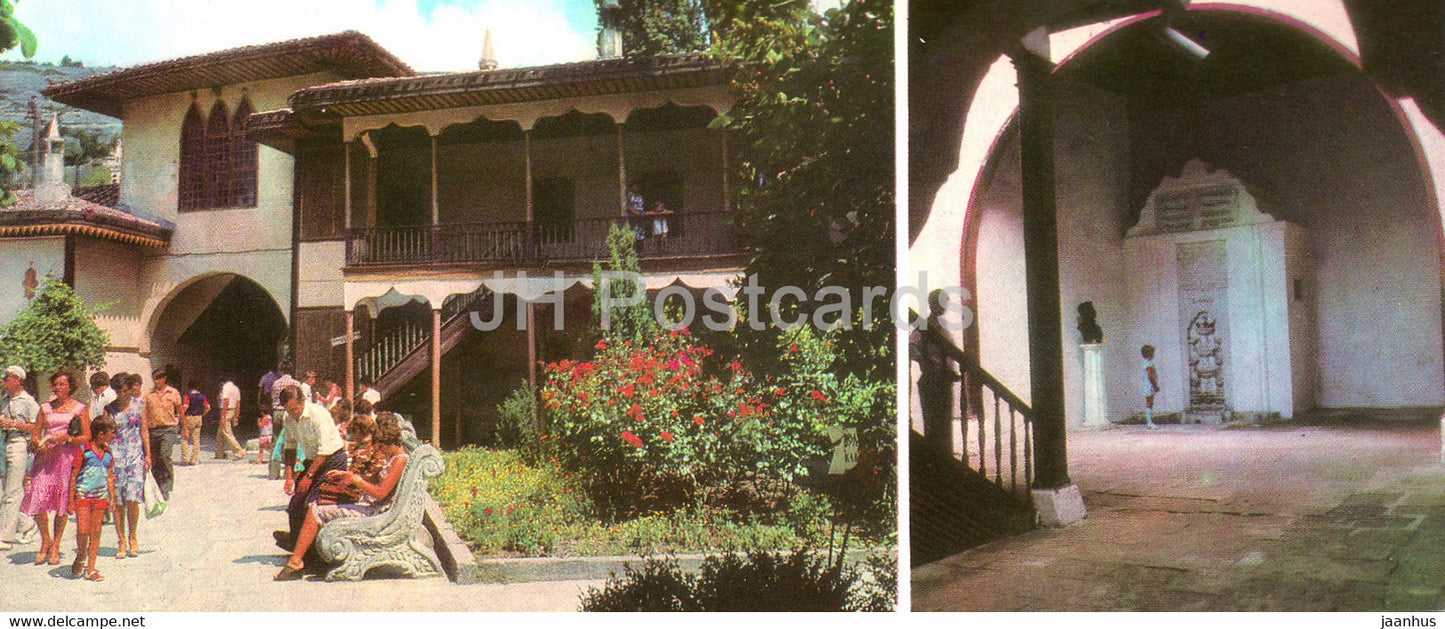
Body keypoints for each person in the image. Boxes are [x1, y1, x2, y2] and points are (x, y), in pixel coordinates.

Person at [274, 413, 408, 581]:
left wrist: (357, 481)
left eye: (381, 446)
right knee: (319, 503)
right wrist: (348, 475)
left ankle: (297, 561)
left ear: (389, 443)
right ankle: (308, 555)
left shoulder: (399, 460)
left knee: (316, 511)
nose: (379, 450)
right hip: (373, 505)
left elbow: (380, 493)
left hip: (377, 511)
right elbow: (374, 481)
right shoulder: (395, 457)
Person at [22, 370, 89, 566]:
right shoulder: (45, 408)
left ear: (70, 387)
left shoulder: (80, 408)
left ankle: (56, 545)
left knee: (62, 503)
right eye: (55, 384)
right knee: (37, 497)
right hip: (45, 458)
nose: (58, 388)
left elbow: (86, 436)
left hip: (66, 458)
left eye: (62, 384)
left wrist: (68, 438)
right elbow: (36, 434)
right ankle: (46, 540)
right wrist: (37, 443)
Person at [272, 384, 347, 553]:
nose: (292, 413)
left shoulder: (319, 414)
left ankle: (311, 550)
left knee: (312, 504)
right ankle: (296, 542)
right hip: (313, 461)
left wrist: (308, 477)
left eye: (294, 409)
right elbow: (290, 447)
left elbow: (324, 451)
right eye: (288, 410)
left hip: (332, 460)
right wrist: (289, 477)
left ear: (303, 401)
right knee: (295, 504)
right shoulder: (288, 417)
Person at [909, 290, 962, 453]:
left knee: (945, 423)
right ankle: (935, 456)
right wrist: (925, 360)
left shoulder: (944, 329)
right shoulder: (923, 327)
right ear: (933, 304)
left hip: (945, 380)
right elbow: (911, 347)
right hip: (930, 380)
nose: (945, 306)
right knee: (932, 422)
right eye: (942, 302)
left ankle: (945, 455)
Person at [106, 372, 147, 559]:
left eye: (125, 390)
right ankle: (121, 540)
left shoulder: (140, 405)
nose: (122, 394)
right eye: (119, 391)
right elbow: (105, 434)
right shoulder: (109, 409)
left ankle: (133, 537)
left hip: (135, 457)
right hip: (116, 458)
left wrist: (148, 455)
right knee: (118, 502)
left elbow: (144, 431)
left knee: (132, 499)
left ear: (130, 388)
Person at [70, 414, 115, 581]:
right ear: (101, 434)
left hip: (100, 497)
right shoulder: (85, 450)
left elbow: (110, 476)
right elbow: (74, 475)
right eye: (111, 432)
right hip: (83, 495)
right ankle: (82, 554)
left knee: (96, 532)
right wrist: (70, 500)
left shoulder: (108, 453)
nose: (113, 436)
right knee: (83, 530)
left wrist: (112, 498)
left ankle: (91, 568)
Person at [0, 365, 39, 550]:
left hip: (19, 443)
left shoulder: (28, 401)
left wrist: (13, 423)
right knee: (5, 490)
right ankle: (27, 524)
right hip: (4, 442)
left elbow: (35, 426)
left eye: (7, 379)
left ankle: (5, 537)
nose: (4, 382)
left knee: (13, 491)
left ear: (18, 380)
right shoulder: (5, 399)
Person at [142, 368, 183, 498]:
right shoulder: (148, 394)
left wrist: (185, 427)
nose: (156, 381)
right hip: (153, 430)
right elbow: (144, 413)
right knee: (154, 459)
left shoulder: (173, 393)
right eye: (154, 378)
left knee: (165, 455)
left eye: (159, 378)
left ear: (164, 379)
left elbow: (180, 410)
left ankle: (166, 486)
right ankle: (157, 486)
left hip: (168, 429)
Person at [180, 380, 210, 466]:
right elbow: (208, 407)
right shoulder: (202, 396)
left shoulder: (188, 396)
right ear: (198, 387)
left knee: (184, 438)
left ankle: (185, 459)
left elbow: (185, 407)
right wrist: (202, 414)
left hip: (189, 417)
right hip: (198, 417)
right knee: (196, 440)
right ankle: (194, 459)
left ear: (189, 387)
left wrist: (181, 415)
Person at [215, 378, 245, 460]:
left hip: (226, 411)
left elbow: (226, 401)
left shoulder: (225, 387)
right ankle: (219, 453)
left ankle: (239, 451)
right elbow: (238, 403)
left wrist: (223, 416)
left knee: (227, 432)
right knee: (220, 433)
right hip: (233, 410)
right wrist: (236, 417)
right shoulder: (236, 388)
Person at [1142, 344, 1161, 429]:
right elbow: (1150, 375)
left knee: (1149, 403)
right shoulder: (1149, 363)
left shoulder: (1145, 363)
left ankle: (1149, 421)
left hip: (1146, 385)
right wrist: (1155, 385)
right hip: (1149, 386)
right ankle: (1149, 422)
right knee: (1150, 403)